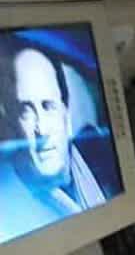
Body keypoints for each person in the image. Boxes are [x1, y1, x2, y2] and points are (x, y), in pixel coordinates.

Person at [0, 37, 115, 243]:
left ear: (66, 114)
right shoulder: (7, 214)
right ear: (10, 123)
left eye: (48, 106)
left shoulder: (101, 157)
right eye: (26, 111)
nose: (42, 129)